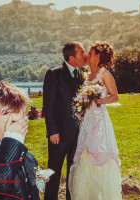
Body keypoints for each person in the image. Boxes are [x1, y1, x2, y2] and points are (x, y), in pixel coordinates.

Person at [69, 42, 122, 199]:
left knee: (99, 151)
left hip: (99, 122)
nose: (87, 56)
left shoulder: (104, 74)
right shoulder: (86, 74)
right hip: (87, 121)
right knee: (85, 152)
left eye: (90, 53)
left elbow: (115, 96)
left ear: (98, 56)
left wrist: (100, 101)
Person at [43, 41, 86, 200]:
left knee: (73, 173)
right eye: (82, 52)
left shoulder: (83, 73)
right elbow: (48, 105)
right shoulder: (54, 74)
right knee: (54, 172)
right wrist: (53, 131)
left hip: (78, 134)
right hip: (58, 135)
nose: (85, 55)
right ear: (71, 57)